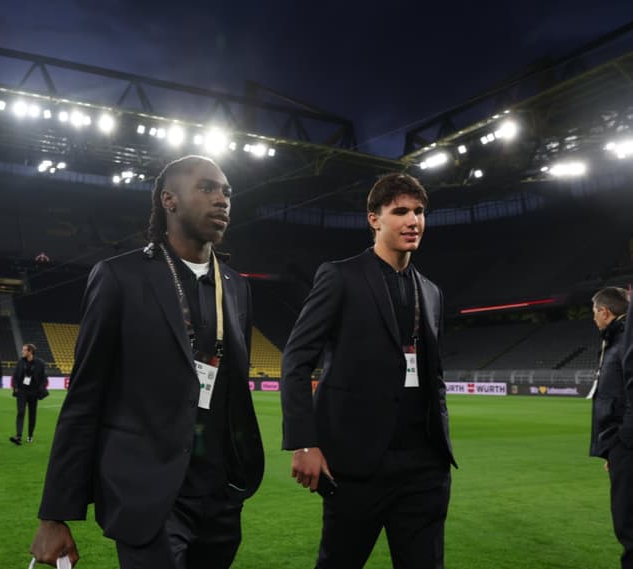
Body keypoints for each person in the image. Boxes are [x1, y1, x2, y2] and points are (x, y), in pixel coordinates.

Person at [29, 155, 264, 569]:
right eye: (207, 188)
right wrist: (54, 514)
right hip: (148, 493)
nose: (222, 199)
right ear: (168, 200)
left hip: (220, 496)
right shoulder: (121, 276)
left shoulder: (236, 287)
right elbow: (85, 396)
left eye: (227, 191)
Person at [280, 173, 456, 569]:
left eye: (419, 211)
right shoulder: (340, 276)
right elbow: (295, 360)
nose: (413, 221)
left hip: (425, 469)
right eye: (400, 212)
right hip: (356, 466)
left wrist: (439, 451)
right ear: (373, 219)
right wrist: (303, 443)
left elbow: (434, 374)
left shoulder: (430, 291)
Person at [596, 286, 633, 569]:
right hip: (620, 446)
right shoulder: (616, 341)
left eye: (594, 313)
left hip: (626, 447)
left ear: (605, 312)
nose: (594, 319)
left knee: (628, 525)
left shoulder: (622, 343)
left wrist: (620, 444)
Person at [10, 343, 47, 445]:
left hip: (34, 392)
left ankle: (30, 435)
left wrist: (41, 389)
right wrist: (16, 387)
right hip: (22, 391)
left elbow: (44, 379)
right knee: (20, 412)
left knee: (32, 415)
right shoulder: (20, 362)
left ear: (30, 351)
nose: (23, 352)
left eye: (24, 350)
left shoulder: (40, 363)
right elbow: (15, 376)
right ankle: (18, 436)